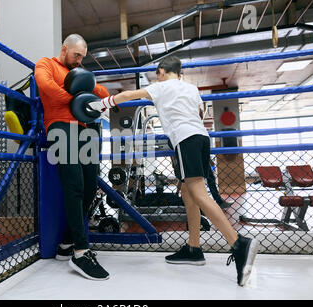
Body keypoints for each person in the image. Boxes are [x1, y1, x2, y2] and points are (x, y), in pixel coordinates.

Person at [88, 55, 260, 286]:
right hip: (201, 138)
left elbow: (129, 96)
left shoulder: (160, 86)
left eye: (158, 73)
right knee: (188, 192)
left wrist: (101, 104)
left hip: (185, 139)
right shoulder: (191, 88)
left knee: (198, 193)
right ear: (180, 73)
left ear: (161, 72)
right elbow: (200, 113)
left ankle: (239, 243)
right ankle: (194, 248)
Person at [35, 34, 110, 281]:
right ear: (64, 49)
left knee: (90, 187)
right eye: (76, 55)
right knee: (74, 185)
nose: (79, 61)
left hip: (85, 131)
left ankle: (67, 241)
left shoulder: (80, 72)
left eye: (82, 57)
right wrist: (79, 99)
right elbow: (46, 87)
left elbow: (102, 92)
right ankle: (80, 251)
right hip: (61, 127)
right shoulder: (46, 64)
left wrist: (97, 98)